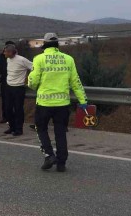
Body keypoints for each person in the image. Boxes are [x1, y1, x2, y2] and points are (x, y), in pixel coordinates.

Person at [28, 33, 87, 172]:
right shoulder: (68, 59)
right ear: (57, 44)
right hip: (62, 104)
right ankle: (61, 163)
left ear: (45, 43)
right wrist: (83, 100)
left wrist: (31, 80)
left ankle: (49, 155)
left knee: (40, 129)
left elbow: (33, 82)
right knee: (60, 132)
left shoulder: (39, 59)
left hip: (44, 103)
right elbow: (75, 82)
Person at [3, 44, 33, 136]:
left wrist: (30, 79)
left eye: (7, 52)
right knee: (7, 108)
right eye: (5, 51)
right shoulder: (8, 59)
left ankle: (19, 129)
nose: (5, 53)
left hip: (19, 88)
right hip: (9, 87)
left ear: (13, 52)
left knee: (18, 109)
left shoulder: (22, 60)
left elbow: (33, 67)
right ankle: (11, 127)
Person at [0, 41, 16, 123]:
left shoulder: (16, 57)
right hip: (4, 81)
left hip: (14, 81)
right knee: (5, 100)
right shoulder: (0, 57)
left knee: (14, 100)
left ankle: (13, 118)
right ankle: (5, 117)